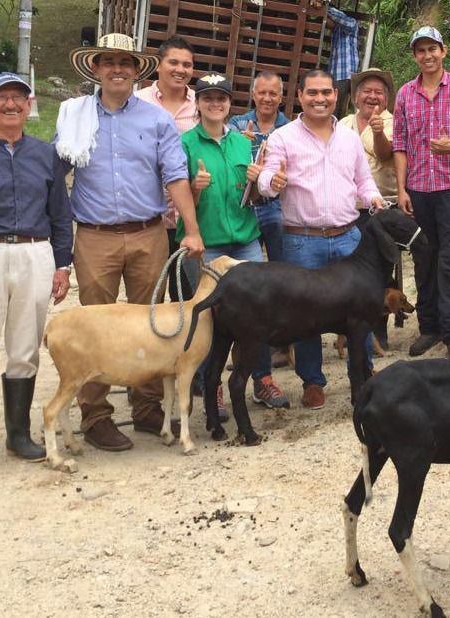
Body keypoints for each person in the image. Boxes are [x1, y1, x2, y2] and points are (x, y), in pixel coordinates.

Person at [56, 33, 204, 451]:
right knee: (95, 327)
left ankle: (146, 407)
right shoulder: (74, 115)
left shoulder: (155, 119)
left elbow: (174, 175)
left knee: (153, 322)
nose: (117, 68)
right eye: (109, 61)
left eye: (125, 61)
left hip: (148, 233)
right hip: (94, 236)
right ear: (96, 68)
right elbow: (55, 176)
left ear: (138, 69)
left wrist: (191, 230)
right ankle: (96, 416)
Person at [258, 69, 384, 410]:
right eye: (312, 92)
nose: (320, 99)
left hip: (349, 238)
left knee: (361, 310)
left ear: (335, 95)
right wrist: (273, 183)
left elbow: (363, 181)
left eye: (326, 92)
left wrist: (373, 198)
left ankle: (364, 372)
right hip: (302, 241)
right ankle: (313, 381)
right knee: (306, 315)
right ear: (299, 96)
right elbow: (266, 177)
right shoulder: (284, 137)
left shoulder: (348, 137)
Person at [0, 73, 73, 478]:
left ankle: (18, 434)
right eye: (1, 98)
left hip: (34, 252)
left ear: (30, 106)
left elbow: (60, 215)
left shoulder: (46, 155)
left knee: (25, 346)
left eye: (18, 97)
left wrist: (63, 264)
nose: (11, 105)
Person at [183, 73, 290, 411]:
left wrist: (261, 185)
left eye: (222, 98)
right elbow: (177, 201)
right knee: (209, 318)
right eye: (208, 98)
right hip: (207, 242)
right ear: (197, 103)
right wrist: (195, 188)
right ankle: (211, 384)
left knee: (257, 314)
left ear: (230, 104)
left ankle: (261, 379)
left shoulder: (245, 144)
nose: (215, 103)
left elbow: (255, 199)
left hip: (245, 239)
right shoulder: (185, 143)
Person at [393, 26, 450, 359]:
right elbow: (400, 144)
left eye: (432, 49)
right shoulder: (405, 93)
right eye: (420, 50)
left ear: (443, 51)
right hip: (418, 190)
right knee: (424, 259)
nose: (427, 55)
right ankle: (429, 327)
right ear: (415, 56)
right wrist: (402, 188)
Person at [135, 36, 198, 301]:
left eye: (187, 64)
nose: (180, 70)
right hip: (149, 218)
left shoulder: (201, 105)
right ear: (158, 65)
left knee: (185, 294)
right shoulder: (138, 102)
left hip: (189, 215)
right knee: (150, 294)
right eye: (173, 62)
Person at [228, 71, 291, 262]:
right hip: (243, 205)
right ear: (253, 94)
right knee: (243, 267)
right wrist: (238, 143)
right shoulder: (237, 124)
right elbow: (227, 159)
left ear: (281, 97)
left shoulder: (289, 129)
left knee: (279, 264)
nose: (267, 98)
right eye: (262, 93)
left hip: (276, 206)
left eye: (273, 94)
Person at [339, 67, 397, 215]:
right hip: (344, 206)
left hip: (383, 206)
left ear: (386, 100)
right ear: (356, 98)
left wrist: (378, 133)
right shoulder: (343, 124)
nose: (372, 96)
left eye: (378, 93)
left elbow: (384, 155)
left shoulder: (394, 123)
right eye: (366, 91)